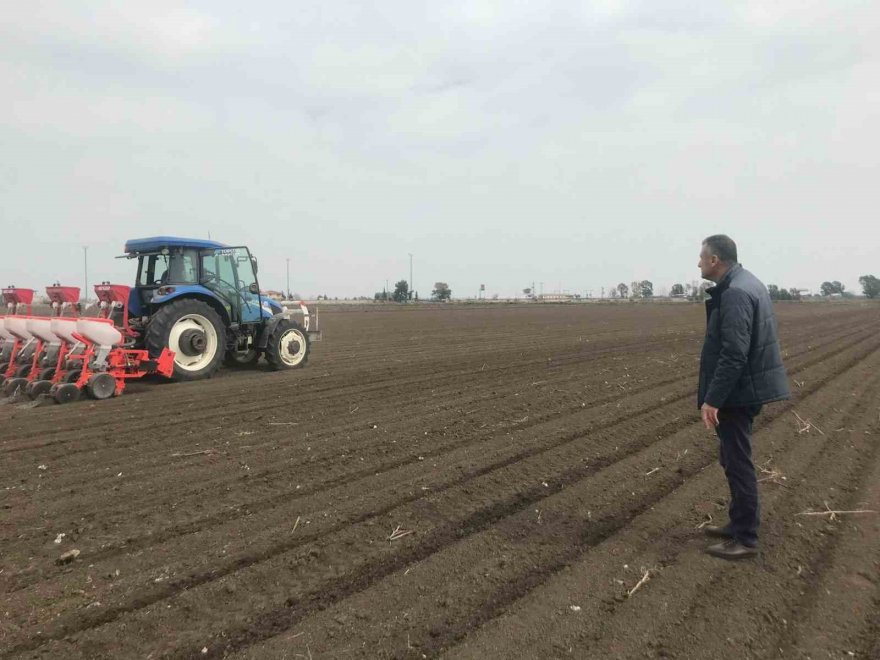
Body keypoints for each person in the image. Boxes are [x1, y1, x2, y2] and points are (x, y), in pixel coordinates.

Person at [697, 235, 790, 560]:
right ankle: (737, 525)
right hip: (744, 389)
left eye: (701, 257)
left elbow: (734, 353)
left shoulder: (736, 292)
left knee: (738, 463)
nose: (698, 263)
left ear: (715, 260)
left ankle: (745, 539)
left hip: (738, 393)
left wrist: (713, 399)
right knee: (731, 458)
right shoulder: (746, 283)